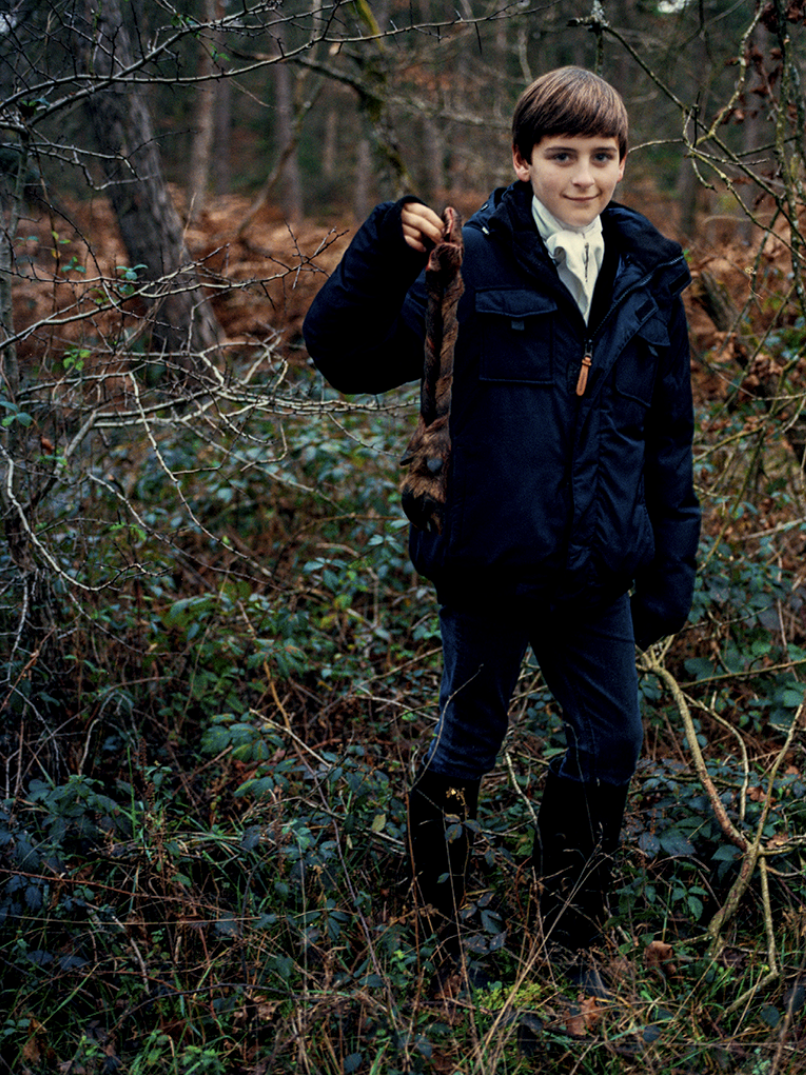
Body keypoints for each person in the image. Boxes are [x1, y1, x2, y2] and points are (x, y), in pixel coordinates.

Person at [303, 66, 700, 993]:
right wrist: (382, 246)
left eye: (602, 156)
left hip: (596, 569)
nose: (585, 177)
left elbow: (668, 438)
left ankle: (570, 950)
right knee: (466, 745)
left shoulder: (648, 273)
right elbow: (345, 358)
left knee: (611, 747)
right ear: (522, 160)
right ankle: (444, 953)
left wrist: (669, 568)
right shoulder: (470, 260)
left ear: (622, 161)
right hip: (488, 563)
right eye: (562, 156)